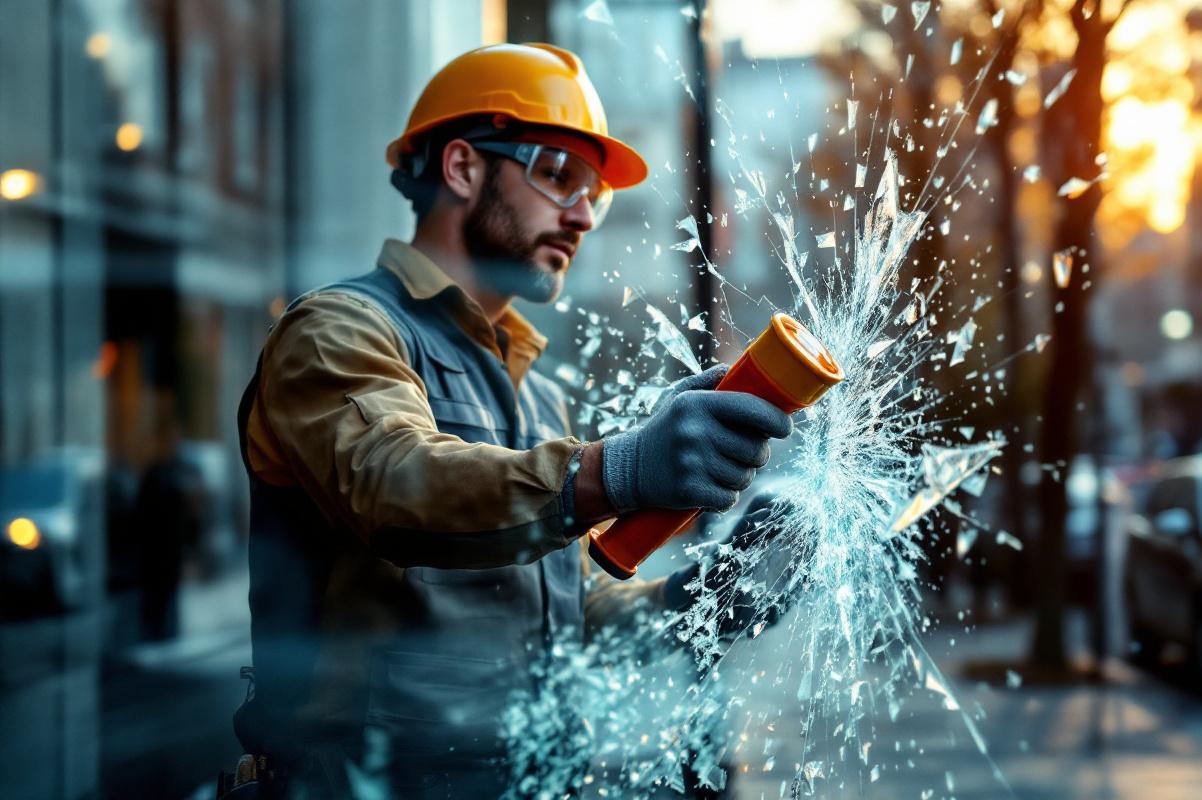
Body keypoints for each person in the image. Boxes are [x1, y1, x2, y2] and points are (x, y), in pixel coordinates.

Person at [226, 43, 791, 798]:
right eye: (558, 175)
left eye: (595, 192)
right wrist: (616, 469)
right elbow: (397, 486)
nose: (584, 214)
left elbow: (561, 615)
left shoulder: (537, 396)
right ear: (461, 167)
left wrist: (696, 600)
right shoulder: (338, 331)